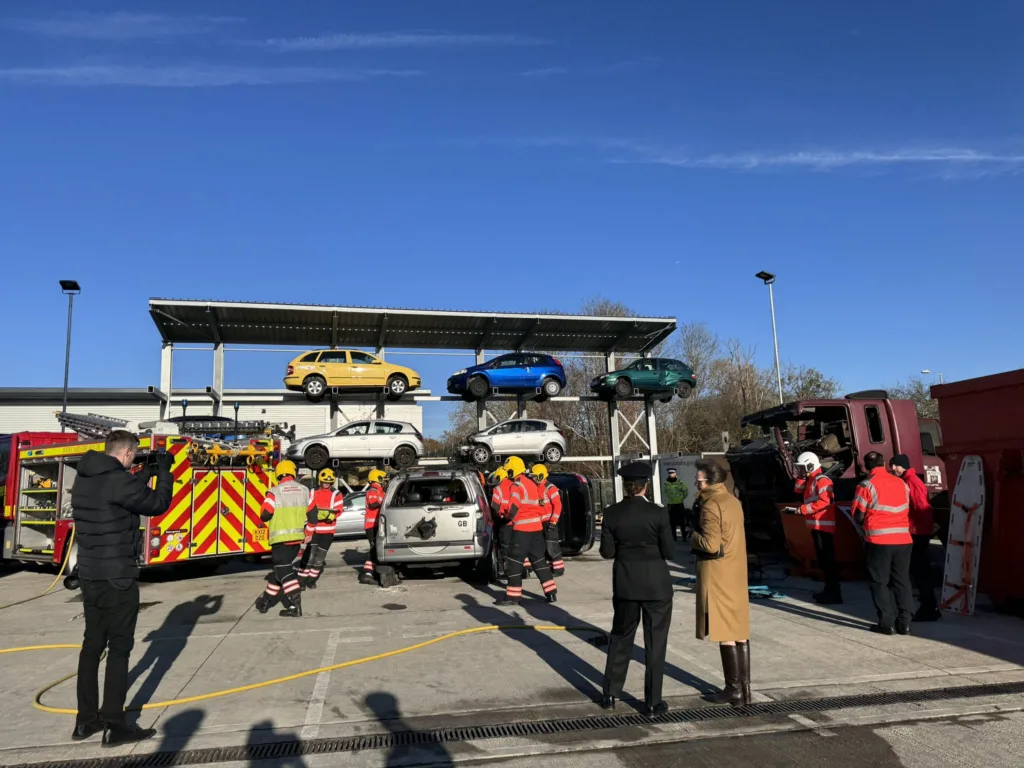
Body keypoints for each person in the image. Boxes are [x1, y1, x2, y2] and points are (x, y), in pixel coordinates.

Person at [70, 430, 174, 745]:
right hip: (118, 577)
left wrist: (145, 473)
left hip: (89, 576)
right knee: (119, 649)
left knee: (91, 648)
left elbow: (118, 490)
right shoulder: (119, 482)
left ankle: (86, 721)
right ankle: (115, 724)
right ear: (127, 452)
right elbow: (157, 504)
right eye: (135, 456)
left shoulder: (85, 479)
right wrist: (165, 473)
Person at [599, 462, 676, 717]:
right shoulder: (658, 513)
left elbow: (607, 552)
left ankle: (610, 694)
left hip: (626, 584)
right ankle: (653, 702)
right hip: (656, 586)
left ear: (625, 486)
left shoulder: (611, 514)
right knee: (655, 644)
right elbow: (670, 551)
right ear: (645, 486)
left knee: (620, 639)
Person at [691, 459, 751, 707]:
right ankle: (744, 690)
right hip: (736, 570)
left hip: (718, 574)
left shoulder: (710, 505)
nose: (696, 482)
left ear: (708, 482)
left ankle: (733, 690)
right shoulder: (732, 501)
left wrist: (693, 536)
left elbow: (711, 545)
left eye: (699, 479)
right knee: (739, 632)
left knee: (725, 633)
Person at [852, 451, 913, 635]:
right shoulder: (901, 483)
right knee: (902, 581)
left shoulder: (866, 485)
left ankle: (887, 623)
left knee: (880, 582)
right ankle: (905, 623)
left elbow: (857, 514)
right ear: (884, 463)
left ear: (865, 466)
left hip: (879, 540)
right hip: (903, 539)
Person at [496, 456, 557, 606]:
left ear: (511, 471)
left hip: (522, 529)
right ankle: (551, 593)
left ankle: (513, 597)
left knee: (514, 562)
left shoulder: (516, 485)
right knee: (539, 561)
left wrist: (507, 517)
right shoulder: (531, 483)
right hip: (536, 529)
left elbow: (514, 506)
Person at [254, 460, 310, 618]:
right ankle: (265, 601)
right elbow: (312, 512)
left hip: (281, 540)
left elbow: (265, 514)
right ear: (293, 472)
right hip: (297, 540)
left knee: (285, 572)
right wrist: (310, 531)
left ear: (278, 473)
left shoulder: (275, 492)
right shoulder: (304, 490)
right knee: (279, 571)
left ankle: (295, 605)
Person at [785, 452, 842, 604]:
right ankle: (829, 590)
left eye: (802, 468)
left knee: (828, 560)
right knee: (824, 560)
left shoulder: (822, 480)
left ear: (810, 465)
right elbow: (797, 489)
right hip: (817, 526)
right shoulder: (811, 479)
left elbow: (824, 502)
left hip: (823, 527)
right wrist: (802, 476)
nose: (800, 470)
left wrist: (802, 510)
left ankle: (834, 593)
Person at [889, 454, 940, 621]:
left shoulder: (911, 481)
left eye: (895, 465)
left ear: (903, 465)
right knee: (918, 570)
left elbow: (922, 507)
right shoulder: (908, 480)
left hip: (917, 533)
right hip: (916, 531)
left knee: (920, 571)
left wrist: (922, 530)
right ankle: (929, 606)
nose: (893, 469)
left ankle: (929, 607)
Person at [299, 468, 344, 589]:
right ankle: (301, 580)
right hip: (314, 530)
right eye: (324, 482)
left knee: (320, 558)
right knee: (310, 556)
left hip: (328, 532)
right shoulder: (312, 492)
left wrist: (329, 516)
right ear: (320, 480)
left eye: (329, 482)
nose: (326, 484)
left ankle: (311, 580)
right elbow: (306, 507)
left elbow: (339, 510)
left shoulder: (336, 494)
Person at [532, 463, 565, 576]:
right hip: (540, 522)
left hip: (549, 521)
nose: (533, 478)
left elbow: (557, 505)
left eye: (535, 476)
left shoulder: (550, 488)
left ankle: (559, 569)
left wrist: (553, 521)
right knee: (544, 547)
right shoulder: (536, 488)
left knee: (552, 546)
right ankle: (549, 568)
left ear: (541, 475)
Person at [359, 469, 387, 585]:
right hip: (372, 525)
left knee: (375, 549)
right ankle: (367, 573)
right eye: (383, 480)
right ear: (378, 479)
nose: (385, 482)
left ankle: (370, 572)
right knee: (374, 549)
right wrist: (383, 499)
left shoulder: (379, 490)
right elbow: (373, 504)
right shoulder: (374, 490)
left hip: (375, 525)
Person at [662, 468, 689, 540]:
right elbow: (665, 492)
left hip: (679, 504)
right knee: (672, 522)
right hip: (670, 504)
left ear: (675, 473)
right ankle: (674, 537)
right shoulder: (666, 483)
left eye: (672, 473)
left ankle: (684, 537)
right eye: (669, 473)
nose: (671, 474)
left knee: (682, 522)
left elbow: (685, 491)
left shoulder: (680, 482)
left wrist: (681, 498)